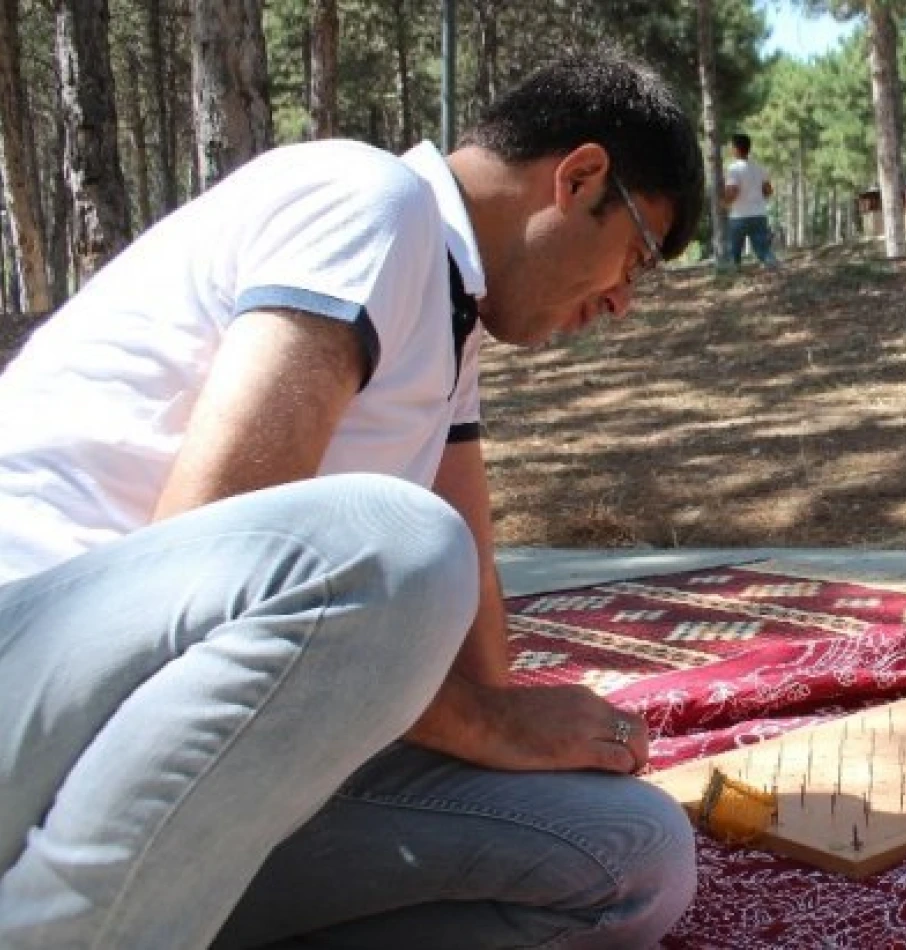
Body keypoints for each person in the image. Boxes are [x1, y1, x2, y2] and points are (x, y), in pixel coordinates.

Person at [0, 52, 704, 949]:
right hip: (43, 675)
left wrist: (517, 729)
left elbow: (473, 598)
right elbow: (208, 543)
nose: (622, 304)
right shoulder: (369, 203)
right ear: (580, 177)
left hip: (159, 766)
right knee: (399, 549)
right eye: (637, 258)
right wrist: (492, 725)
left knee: (630, 856)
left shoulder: (453, 315)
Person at [723, 133, 778, 269]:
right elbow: (769, 191)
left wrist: (724, 203)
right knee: (763, 250)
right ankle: (774, 267)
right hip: (759, 215)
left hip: (739, 216)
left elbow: (733, 191)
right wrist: (757, 199)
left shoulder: (734, 168)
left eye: (731, 147)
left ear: (736, 149)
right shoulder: (759, 168)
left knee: (734, 252)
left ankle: (733, 273)